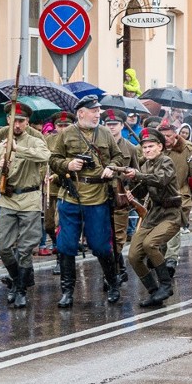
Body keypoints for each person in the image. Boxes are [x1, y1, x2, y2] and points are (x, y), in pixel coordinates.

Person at [49, 95, 125, 306]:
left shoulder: (105, 134)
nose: (97, 114)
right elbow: (53, 159)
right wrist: (68, 165)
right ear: (81, 113)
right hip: (71, 195)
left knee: (100, 245)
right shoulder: (66, 134)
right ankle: (67, 292)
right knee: (66, 245)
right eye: (93, 111)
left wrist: (111, 167)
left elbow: (118, 157)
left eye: (98, 111)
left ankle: (112, 282)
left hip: (98, 195)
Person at [0, 102, 50, 309]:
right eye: (14, 120)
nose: (17, 125)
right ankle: (17, 280)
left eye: (21, 121)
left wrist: (18, 149)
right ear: (8, 121)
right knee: (2, 244)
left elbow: (44, 156)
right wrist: (0, 170)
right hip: (8, 199)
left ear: (27, 122)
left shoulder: (34, 141)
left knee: (24, 248)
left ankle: (21, 290)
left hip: (30, 200)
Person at [122, 128, 181, 306]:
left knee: (150, 244)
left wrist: (138, 174)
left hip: (170, 214)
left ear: (160, 147)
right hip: (153, 214)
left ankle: (165, 285)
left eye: (150, 146)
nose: (147, 150)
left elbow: (160, 180)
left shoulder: (166, 162)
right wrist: (131, 184)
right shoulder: (145, 165)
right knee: (133, 255)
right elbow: (142, 190)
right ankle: (154, 292)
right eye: (144, 147)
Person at [159, 119, 192, 277]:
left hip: (180, 193)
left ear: (176, 135)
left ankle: (171, 258)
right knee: (159, 230)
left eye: (169, 135)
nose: (166, 139)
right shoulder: (154, 148)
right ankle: (160, 259)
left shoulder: (187, 149)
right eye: (162, 135)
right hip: (158, 196)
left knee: (173, 224)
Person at [103, 109, 137, 285]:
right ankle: (119, 269)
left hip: (120, 197)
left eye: (114, 124)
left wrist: (131, 190)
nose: (111, 128)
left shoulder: (130, 148)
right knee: (103, 237)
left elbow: (137, 174)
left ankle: (113, 273)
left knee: (117, 237)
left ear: (122, 126)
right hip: (100, 196)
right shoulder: (99, 147)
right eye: (108, 124)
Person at [44, 111, 75, 274]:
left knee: (59, 225)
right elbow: (43, 159)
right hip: (49, 189)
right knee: (48, 225)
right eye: (59, 125)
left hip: (66, 188)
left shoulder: (74, 141)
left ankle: (61, 259)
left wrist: (57, 175)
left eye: (66, 125)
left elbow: (71, 164)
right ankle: (58, 246)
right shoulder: (48, 140)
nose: (62, 129)